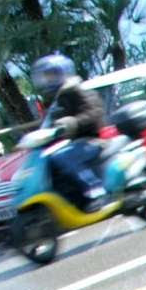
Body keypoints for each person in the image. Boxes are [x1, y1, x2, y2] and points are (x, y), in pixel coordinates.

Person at [29, 53, 108, 211]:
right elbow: (50, 123)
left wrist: (74, 122)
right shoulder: (56, 98)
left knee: (63, 156)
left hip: (90, 140)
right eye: (46, 76)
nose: (49, 79)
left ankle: (96, 191)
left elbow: (95, 112)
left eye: (52, 74)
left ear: (63, 72)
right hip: (71, 142)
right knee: (48, 160)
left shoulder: (77, 91)